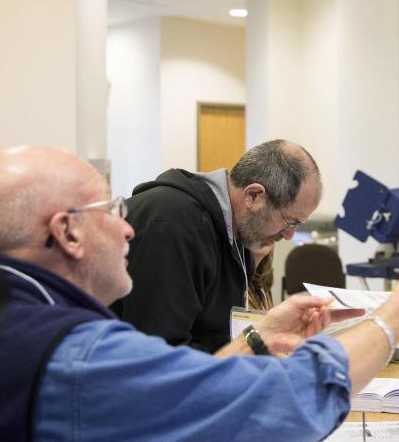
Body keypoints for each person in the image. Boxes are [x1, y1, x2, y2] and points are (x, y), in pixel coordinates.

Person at [0, 146, 399, 442]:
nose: (129, 226)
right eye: (112, 211)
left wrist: (255, 338)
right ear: (67, 232)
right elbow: (290, 401)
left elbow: (161, 401)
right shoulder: (77, 357)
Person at [112, 139, 321, 354]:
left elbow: (216, 337)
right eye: (289, 222)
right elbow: (160, 356)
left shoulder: (236, 236)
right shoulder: (174, 224)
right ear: (253, 196)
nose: (289, 235)